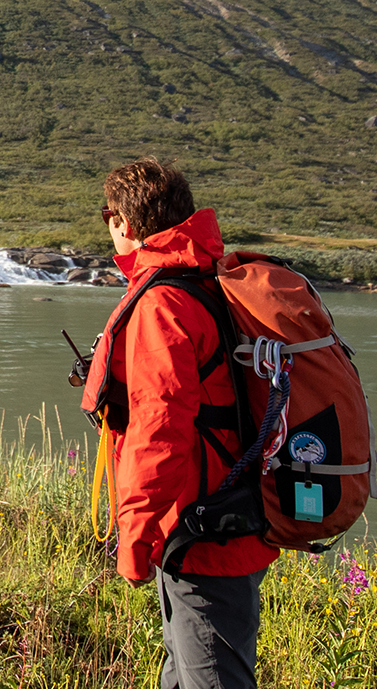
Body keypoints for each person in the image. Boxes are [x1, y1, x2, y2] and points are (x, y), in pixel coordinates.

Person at [84, 158, 277, 689]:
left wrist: (135, 537)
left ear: (122, 221)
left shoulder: (163, 302)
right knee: (186, 669)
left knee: (211, 679)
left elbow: (158, 429)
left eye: (108, 215)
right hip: (225, 513)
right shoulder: (205, 280)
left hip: (200, 530)